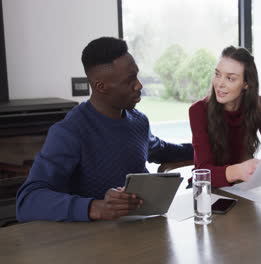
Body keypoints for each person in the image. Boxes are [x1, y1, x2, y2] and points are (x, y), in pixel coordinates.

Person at [16, 37, 193, 222]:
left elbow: (164, 151)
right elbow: (27, 200)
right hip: (93, 241)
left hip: (144, 227)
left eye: (137, 75)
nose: (139, 85)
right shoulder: (69, 132)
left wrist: (212, 147)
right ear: (101, 86)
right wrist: (94, 207)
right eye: (129, 80)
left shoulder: (139, 121)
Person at [189, 46, 261, 194]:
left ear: (246, 84)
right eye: (217, 74)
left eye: (230, 78)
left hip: (246, 190)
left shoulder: (260, 105)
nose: (219, 84)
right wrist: (238, 171)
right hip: (209, 193)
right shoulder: (198, 111)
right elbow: (203, 173)